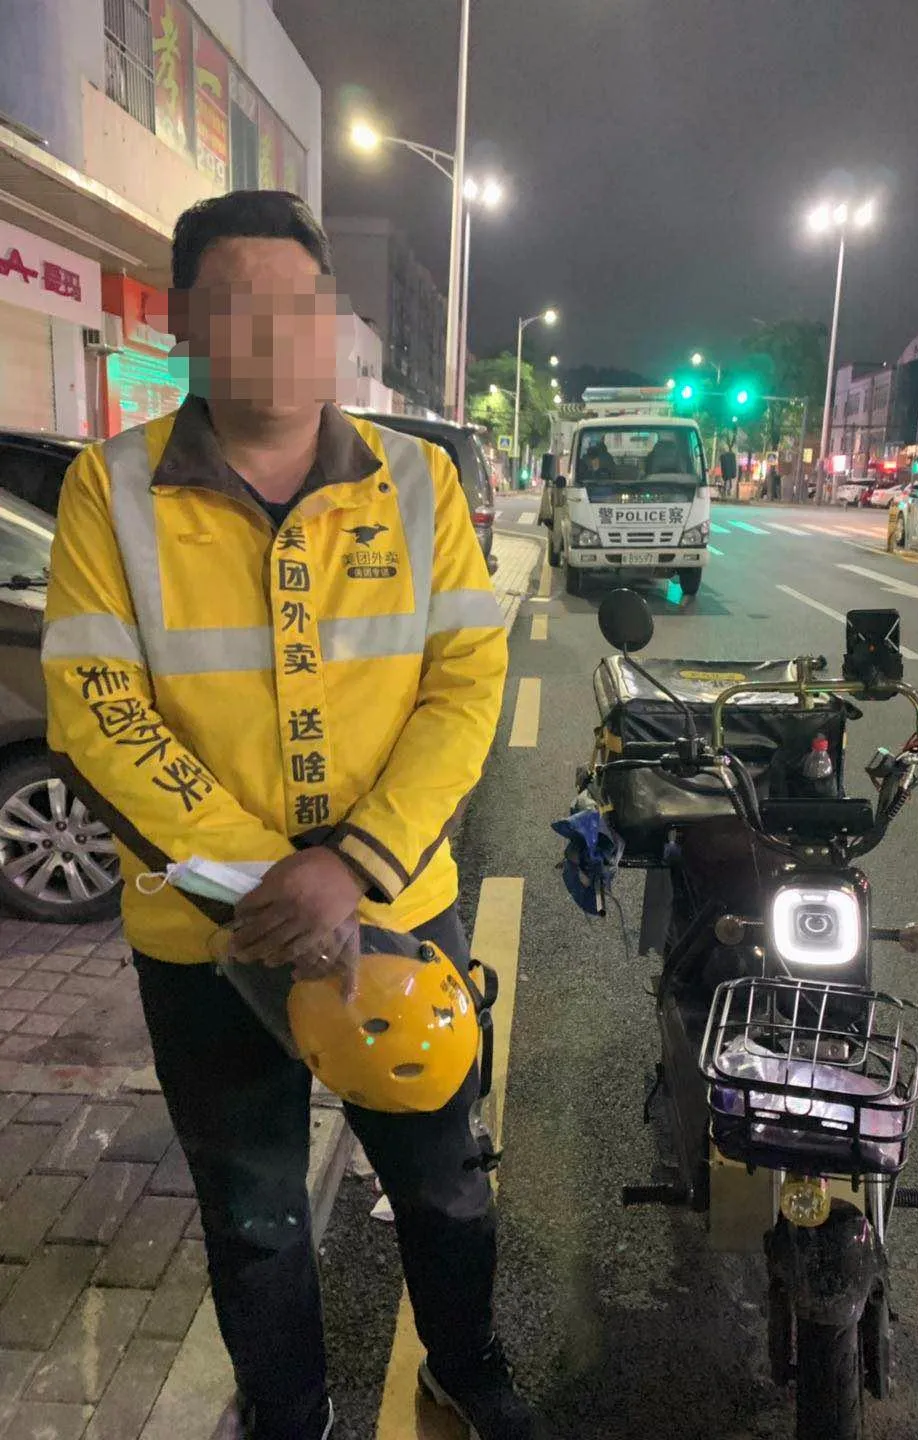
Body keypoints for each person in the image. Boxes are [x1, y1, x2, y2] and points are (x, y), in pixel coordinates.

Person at [43, 191, 547, 1440]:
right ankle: (292, 1416)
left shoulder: (419, 483)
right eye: (237, 305)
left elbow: (464, 682)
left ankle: (465, 1367)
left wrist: (353, 867)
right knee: (254, 1213)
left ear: (333, 322)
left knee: (444, 1184)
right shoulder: (111, 491)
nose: (274, 333)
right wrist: (274, 882)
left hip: (398, 919)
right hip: (208, 942)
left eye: (299, 304)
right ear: (183, 323)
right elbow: (99, 709)